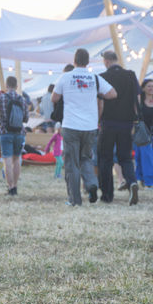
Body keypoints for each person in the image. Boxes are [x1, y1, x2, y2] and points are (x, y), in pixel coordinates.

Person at [52, 49, 116, 206]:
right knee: (86, 158)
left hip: (71, 125)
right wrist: (95, 95)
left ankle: (75, 200)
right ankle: (91, 183)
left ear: (74, 61)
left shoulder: (65, 77)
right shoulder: (95, 78)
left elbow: (54, 97)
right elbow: (113, 94)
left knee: (72, 163)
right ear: (87, 62)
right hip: (89, 126)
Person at [98, 50, 139, 205]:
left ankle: (107, 195)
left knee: (106, 158)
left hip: (108, 123)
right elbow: (137, 99)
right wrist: (136, 120)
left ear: (107, 61)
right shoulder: (130, 75)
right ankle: (132, 182)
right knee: (126, 157)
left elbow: (100, 101)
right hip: (126, 123)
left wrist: (99, 119)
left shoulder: (103, 77)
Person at [0, 76, 28, 195]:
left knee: (7, 159)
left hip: (5, 132)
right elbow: (26, 118)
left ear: (6, 86)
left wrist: (2, 118)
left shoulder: (1, 98)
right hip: (19, 133)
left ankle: (11, 187)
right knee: (16, 158)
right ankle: (16, 185)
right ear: (17, 86)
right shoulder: (22, 99)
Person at [134, 78, 153, 188]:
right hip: (143, 133)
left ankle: (140, 176)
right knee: (146, 157)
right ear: (143, 88)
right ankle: (150, 181)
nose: (151, 88)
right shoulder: (139, 101)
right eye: (149, 86)